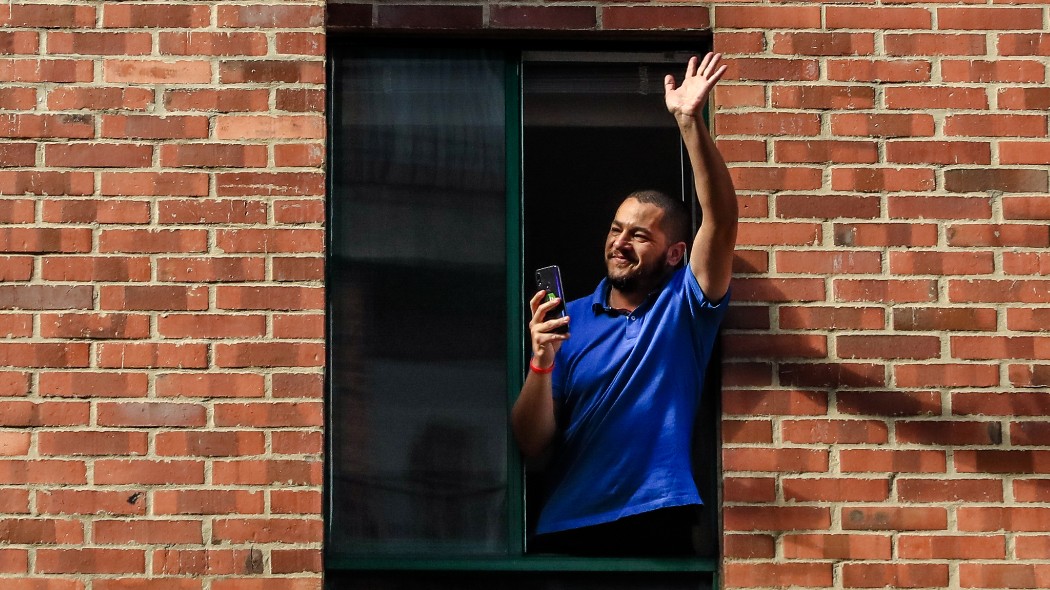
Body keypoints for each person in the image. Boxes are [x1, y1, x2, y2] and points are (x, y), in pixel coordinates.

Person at [511, 53, 738, 556]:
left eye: (639, 236)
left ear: (675, 253)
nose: (620, 243)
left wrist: (689, 122)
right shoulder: (569, 320)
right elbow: (531, 446)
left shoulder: (685, 307)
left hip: (657, 515)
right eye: (616, 230)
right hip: (568, 525)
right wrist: (541, 362)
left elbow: (721, 219)